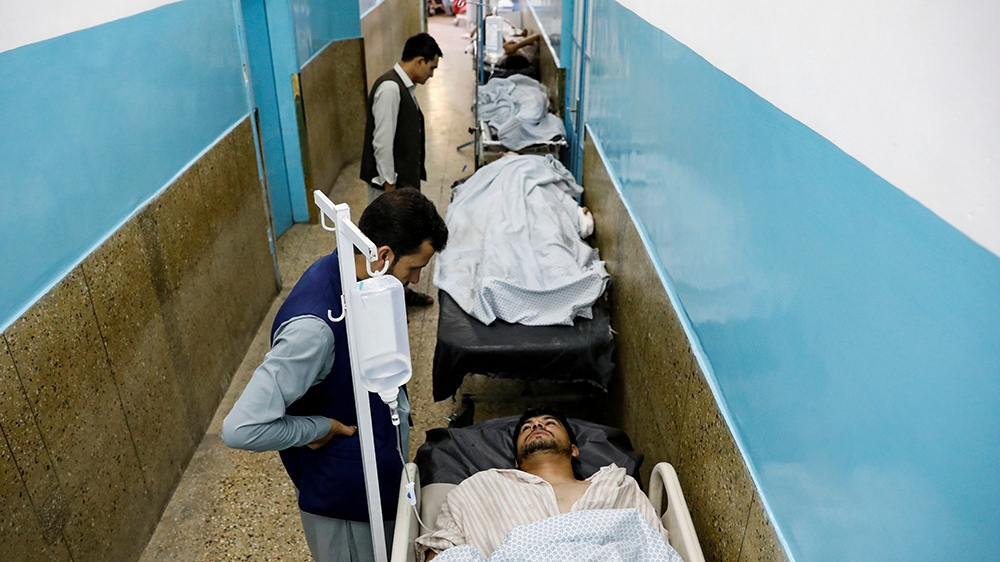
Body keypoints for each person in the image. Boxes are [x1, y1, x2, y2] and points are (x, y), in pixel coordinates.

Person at [222, 188, 448, 562]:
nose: (415, 280)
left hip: (374, 474)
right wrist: (318, 429)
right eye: (415, 268)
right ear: (383, 255)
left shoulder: (350, 275)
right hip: (344, 503)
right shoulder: (313, 329)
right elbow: (242, 427)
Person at [414, 407, 669, 561]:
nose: (537, 425)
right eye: (527, 427)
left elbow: (653, 544)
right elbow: (443, 550)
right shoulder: (479, 488)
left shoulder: (616, 485)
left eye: (550, 423)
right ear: (515, 459)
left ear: (574, 449)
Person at [360, 33, 442, 307]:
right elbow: (381, 144)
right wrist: (389, 192)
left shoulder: (405, 88)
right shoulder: (390, 89)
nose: (431, 75)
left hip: (399, 184)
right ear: (419, 60)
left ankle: (401, 295)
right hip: (388, 186)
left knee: (403, 243)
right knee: (387, 246)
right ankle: (383, 303)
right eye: (431, 67)